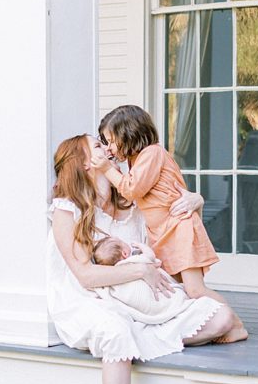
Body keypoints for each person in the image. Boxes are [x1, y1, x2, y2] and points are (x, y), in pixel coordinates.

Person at [47, 134, 238, 384]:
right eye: (97, 146)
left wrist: (194, 201)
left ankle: (143, 339)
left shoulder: (131, 200)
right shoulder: (66, 210)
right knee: (116, 333)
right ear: (85, 163)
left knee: (219, 317)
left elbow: (175, 216)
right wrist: (138, 273)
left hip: (141, 296)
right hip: (90, 298)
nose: (107, 148)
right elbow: (85, 276)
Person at [96, 104, 248, 342]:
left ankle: (236, 325)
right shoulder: (137, 161)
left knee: (195, 289)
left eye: (111, 141)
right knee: (182, 292)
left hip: (179, 229)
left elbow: (131, 190)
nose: (110, 148)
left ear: (129, 133)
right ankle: (211, 324)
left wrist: (106, 169)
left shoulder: (151, 154)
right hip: (163, 233)